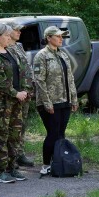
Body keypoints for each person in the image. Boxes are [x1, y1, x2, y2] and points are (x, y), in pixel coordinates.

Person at [0, 24, 30, 183]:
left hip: (17, 101)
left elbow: (22, 72)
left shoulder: (11, 52)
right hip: (2, 103)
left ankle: (12, 167)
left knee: (15, 135)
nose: (10, 39)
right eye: (7, 36)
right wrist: (15, 93)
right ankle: (1, 170)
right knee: (1, 136)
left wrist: (24, 90)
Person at [33, 26, 78, 176]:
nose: (61, 39)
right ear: (48, 38)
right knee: (52, 133)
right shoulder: (42, 56)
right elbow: (39, 81)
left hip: (64, 100)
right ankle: (45, 165)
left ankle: (58, 162)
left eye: (62, 37)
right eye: (58, 36)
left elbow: (70, 79)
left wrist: (74, 99)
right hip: (50, 102)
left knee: (61, 134)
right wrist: (47, 103)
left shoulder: (63, 54)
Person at [7, 21, 35, 168]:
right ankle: (10, 156)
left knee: (21, 124)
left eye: (19, 30)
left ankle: (19, 152)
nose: (19, 33)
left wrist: (29, 88)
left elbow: (25, 68)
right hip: (13, 93)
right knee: (11, 126)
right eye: (16, 30)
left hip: (25, 92)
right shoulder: (4, 48)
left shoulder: (18, 46)